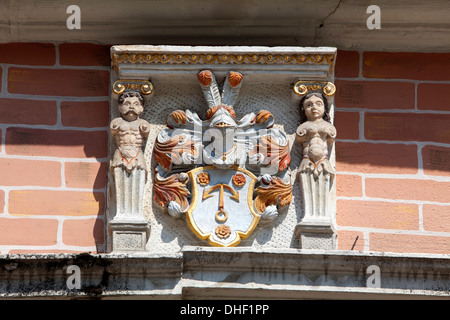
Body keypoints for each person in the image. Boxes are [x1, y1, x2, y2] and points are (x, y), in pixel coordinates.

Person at [296, 92, 336, 178]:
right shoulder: (303, 126)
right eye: (309, 105)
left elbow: (331, 138)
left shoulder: (328, 126)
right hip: (307, 160)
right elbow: (300, 138)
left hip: (324, 160)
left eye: (319, 104)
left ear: (325, 108)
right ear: (303, 109)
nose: (314, 107)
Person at [110, 90, 150, 174]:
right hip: (121, 154)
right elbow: (113, 131)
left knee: (139, 176)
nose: (131, 107)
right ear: (119, 107)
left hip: (137, 154)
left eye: (136, 104)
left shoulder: (142, 123)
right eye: (127, 104)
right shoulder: (117, 122)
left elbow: (146, 133)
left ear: (141, 108)